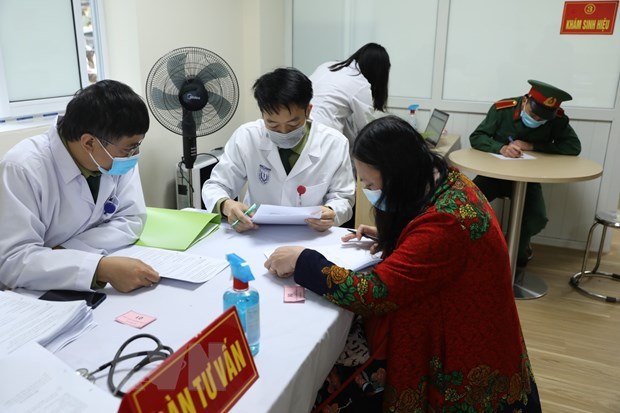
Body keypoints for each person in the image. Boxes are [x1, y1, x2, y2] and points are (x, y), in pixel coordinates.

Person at [265, 116, 541, 412]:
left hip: (466, 357)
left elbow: (373, 294)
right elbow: (428, 242)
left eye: (371, 183)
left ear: (399, 175)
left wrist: (303, 260)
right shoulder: (446, 179)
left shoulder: (445, 223)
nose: (368, 190)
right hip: (475, 328)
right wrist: (398, 237)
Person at [0, 80, 160, 293]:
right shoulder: (23, 168)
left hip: (86, 280)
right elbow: (13, 261)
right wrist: (98, 268)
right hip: (33, 293)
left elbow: (131, 219)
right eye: (129, 148)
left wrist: (68, 250)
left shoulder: (114, 158)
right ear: (89, 143)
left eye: (137, 146)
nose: (134, 155)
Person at [202, 67, 355, 233]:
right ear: (262, 115)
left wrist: (332, 211)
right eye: (273, 124)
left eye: (293, 124)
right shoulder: (247, 136)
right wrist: (227, 205)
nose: (283, 132)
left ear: (308, 111)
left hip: (309, 235)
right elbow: (216, 185)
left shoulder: (334, 143)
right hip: (256, 232)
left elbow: (343, 198)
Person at [470, 79, 581, 268]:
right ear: (525, 101)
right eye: (534, 114)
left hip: (528, 181)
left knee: (536, 218)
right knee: (466, 205)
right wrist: (501, 148)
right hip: (493, 176)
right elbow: (477, 137)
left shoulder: (557, 119)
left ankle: (512, 252)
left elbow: (572, 146)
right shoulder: (502, 109)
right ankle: (473, 250)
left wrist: (533, 146)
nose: (537, 120)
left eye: (542, 119)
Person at [309, 42, 391, 149]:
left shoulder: (328, 65)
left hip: (300, 127)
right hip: (323, 136)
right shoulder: (360, 84)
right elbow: (367, 131)